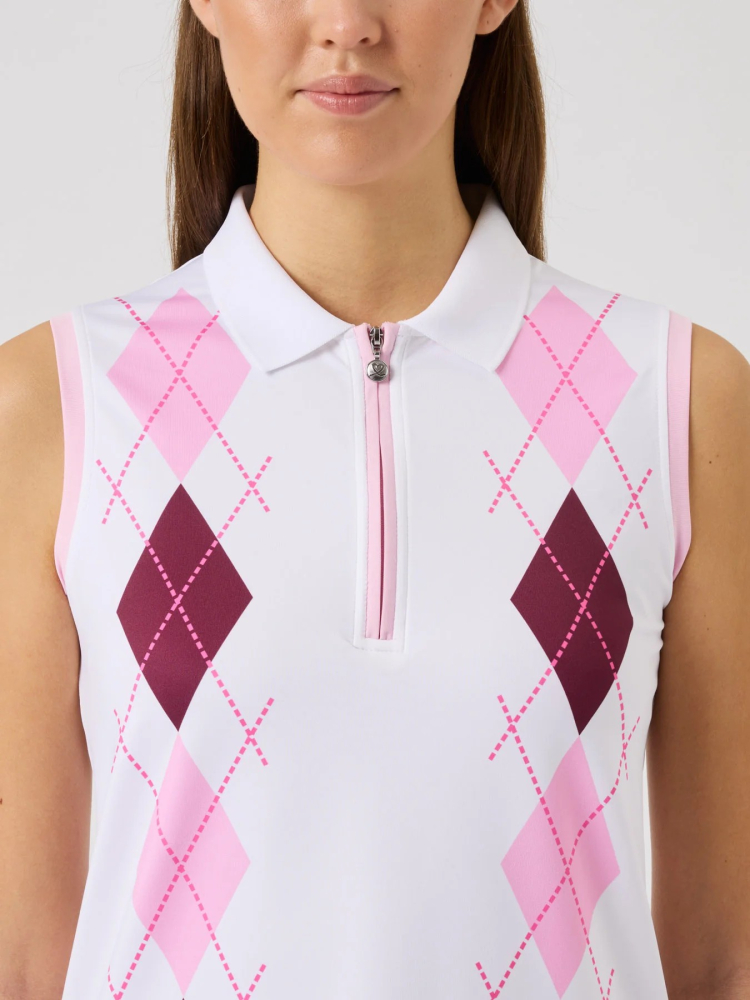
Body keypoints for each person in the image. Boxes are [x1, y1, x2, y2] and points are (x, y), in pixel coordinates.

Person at [1, 0, 749, 997]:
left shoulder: (672, 399)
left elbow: (724, 961)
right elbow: (22, 963)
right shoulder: (58, 405)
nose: (347, 23)